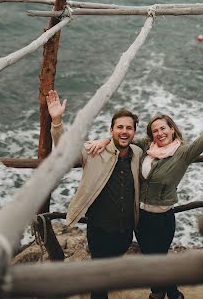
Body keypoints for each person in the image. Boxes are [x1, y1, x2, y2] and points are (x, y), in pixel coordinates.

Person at [88, 106, 203, 299]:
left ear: (172, 129)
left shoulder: (183, 153)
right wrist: (104, 140)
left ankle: (171, 294)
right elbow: (123, 138)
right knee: (152, 260)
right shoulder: (146, 147)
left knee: (157, 260)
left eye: (163, 129)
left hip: (161, 219)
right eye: (155, 130)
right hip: (140, 218)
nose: (159, 133)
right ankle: (160, 293)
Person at [46, 89, 142, 299]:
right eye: (119, 128)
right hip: (100, 229)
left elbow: (159, 142)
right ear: (111, 130)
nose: (124, 131)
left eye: (129, 128)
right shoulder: (93, 151)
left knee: (110, 268)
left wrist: (106, 140)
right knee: (99, 278)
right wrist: (57, 121)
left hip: (126, 230)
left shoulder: (137, 153)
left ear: (134, 133)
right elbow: (65, 149)